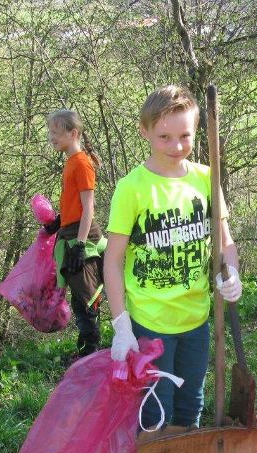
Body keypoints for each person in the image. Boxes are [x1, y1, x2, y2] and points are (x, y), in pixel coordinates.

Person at [104, 85, 241, 429]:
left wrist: (232, 271)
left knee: (191, 402)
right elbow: (113, 259)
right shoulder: (132, 188)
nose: (176, 146)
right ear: (144, 131)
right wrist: (121, 324)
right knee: (155, 407)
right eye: (164, 136)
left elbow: (225, 240)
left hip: (196, 317)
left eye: (185, 136)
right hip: (151, 322)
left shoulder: (205, 178)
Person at [46, 109, 106, 358]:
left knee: (86, 297)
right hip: (71, 232)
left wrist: (80, 245)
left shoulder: (81, 162)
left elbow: (89, 207)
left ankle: (90, 354)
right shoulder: (70, 162)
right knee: (80, 298)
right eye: (50, 132)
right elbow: (75, 204)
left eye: (56, 132)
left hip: (83, 237)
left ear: (74, 133)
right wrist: (60, 221)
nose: (51, 137)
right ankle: (86, 351)